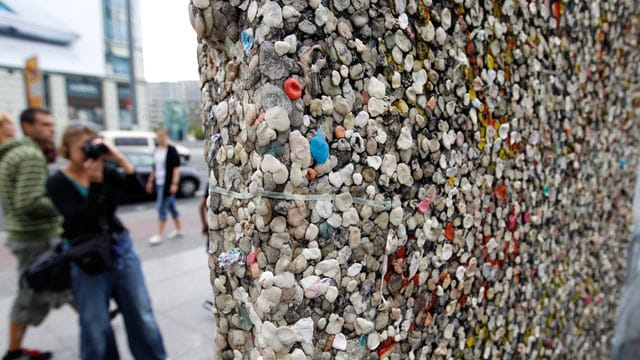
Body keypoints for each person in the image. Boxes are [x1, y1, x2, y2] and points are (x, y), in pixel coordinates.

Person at [46, 124, 166, 360]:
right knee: (95, 323)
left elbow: (139, 190)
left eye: (94, 145)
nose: (90, 152)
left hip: (119, 247)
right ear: (67, 149)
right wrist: (95, 184)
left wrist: (118, 158)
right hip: (85, 255)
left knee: (141, 314)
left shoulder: (105, 171)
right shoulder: (57, 182)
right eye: (84, 147)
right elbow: (81, 219)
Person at [0, 108, 71, 360]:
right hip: (35, 237)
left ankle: (96, 313)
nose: (51, 129)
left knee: (61, 283)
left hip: (26, 235)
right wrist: (62, 203)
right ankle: (13, 352)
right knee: (30, 293)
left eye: (52, 124)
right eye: (44, 124)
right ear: (26, 127)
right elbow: (29, 202)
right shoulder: (29, 154)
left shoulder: (13, 154)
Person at [146, 128, 182, 245]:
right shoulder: (157, 150)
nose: (160, 138)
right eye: (158, 136)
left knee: (161, 207)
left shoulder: (171, 150)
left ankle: (159, 235)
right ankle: (179, 229)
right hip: (159, 183)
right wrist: (150, 181)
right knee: (171, 208)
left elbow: (176, 168)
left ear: (166, 136)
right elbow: (154, 168)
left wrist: (174, 183)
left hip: (167, 184)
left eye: (162, 136)